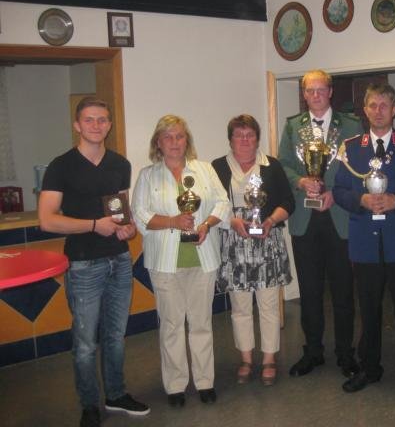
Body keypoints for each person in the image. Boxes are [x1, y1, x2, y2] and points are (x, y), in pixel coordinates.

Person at [38, 97, 149, 427]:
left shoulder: (119, 164)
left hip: (118, 261)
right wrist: (92, 226)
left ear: (109, 125)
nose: (96, 125)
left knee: (115, 336)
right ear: (77, 125)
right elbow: (46, 219)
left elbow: (120, 213)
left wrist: (127, 228)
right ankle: (89, 404)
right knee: (86, 343)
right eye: (89, 120)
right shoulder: (61, 166)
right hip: (84, 264)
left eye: (102, 119)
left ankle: (115, 394)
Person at [333, 83, 395, 398]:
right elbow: (338, 190)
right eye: (372, 105)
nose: (378, 111)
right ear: (364, 109)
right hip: (364, 245)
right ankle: (369, 368)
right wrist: (360, 199)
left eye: (384, 105)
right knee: (369, 311)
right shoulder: (349, 148)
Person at [131, 115, 230, 408]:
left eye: (180, 136)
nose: (175, 142)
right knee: (172, 324)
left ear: (187, 140)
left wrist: (207, 224)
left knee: (201, 323)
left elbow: (222, 203)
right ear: (158, 143)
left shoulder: (204, 169)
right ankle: (175, 385)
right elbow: (140, 215)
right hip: (165, 263)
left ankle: (204, 382)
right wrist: (173, 220)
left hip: (202, 257)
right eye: (168, 137)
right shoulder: (148, 176)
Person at [278, 69, 363, 377]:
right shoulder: (292, 127)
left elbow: (358, 169)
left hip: (339, 217)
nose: (315, 95)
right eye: (309, 90)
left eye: (320, 89)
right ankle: (312, 351)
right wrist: (301, 181)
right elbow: (283, 164)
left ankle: (345, 353)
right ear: (304, 94)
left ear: (330, 92)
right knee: (310, 291)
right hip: (305, 220)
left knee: (343, 290)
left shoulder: (352, 125)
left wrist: (334, 194)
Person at [212, 115, 295, 386]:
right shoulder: (217, 167)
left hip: (266, 243)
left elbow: (288, 202)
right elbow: (213, 204)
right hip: (234, 244)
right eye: (239, 135)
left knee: (269, 305)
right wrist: (231, 221)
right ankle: (246, 358)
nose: (245, 140)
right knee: (240, 307)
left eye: (250, 135)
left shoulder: (271, 166)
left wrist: (271, 220)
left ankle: (269, 358)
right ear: (230, 139)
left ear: (257, 138)